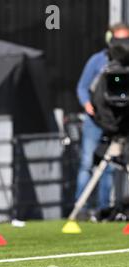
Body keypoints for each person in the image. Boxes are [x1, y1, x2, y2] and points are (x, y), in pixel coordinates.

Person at [75, 23, 129, 217]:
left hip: (117, 121)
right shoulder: (97, 60)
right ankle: (80, 209)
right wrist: (87, 105)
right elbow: (82, 87)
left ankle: (103, 209)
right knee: (87, 163)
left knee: (108, 168)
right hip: (95, 120)